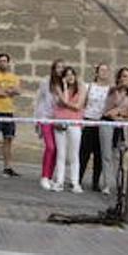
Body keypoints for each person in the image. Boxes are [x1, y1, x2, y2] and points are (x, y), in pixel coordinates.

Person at [101, 67, 128, 195]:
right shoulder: (113, 90)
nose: (125, 79)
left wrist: (120, 113)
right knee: (106, 154)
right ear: (119, 77)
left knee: (118, 155)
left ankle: (119, 184)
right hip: (108, 123)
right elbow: (107, 110)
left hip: (120, 125)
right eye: (123, 76)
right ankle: (106, 184)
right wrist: (118, 112)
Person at [51, 65, 86, 193]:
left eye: (72, 74)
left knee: (74, 154)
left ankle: (74, 182)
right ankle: (59, 181)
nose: (70, 77)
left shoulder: (81, 87)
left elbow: (78, 106)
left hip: (75, 123)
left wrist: (67, 104)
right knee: (61, 153)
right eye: (67, 75)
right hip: (61, 122)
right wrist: (65, 87)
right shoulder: (58, 88)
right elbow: (63, 101)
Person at [79, 63, 112, 191]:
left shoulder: (110, 89)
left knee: (99, 154)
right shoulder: (89, 86)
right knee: (84, 153)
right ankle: (78, 179)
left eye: (106, 70)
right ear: (96, 72)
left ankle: (95, 182)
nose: (104, 73)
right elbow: (83, 104)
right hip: (88, 121)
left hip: (102, 122)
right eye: (101, 70)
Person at [34, 59, 64, 190]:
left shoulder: (64, 84)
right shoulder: (46, 82)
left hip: (58, 119)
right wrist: (36, 120)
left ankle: (50, 177)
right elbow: (39, 100)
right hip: (45, 117)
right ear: (53, 69)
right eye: (58, 67)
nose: (60, 70)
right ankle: (44, 176)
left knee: (57, 149)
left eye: (62, 68)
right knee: (50, 147)